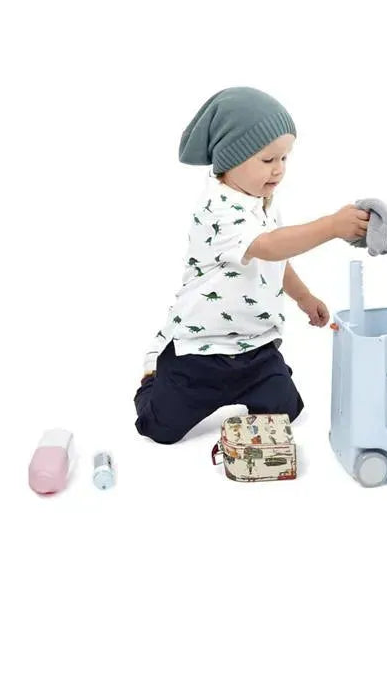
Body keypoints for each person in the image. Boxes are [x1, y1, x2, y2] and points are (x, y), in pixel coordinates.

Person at [134, 87, 369, 445]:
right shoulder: (217, 208)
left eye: (285, 158)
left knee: (287, 410)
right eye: (268, 159)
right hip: (202, 350)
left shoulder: (262, 200)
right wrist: (331, 226)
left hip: (254, 345)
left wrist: (304, 298)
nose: (279, 169)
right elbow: (269, 246)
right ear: (231, 158)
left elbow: (276, 257)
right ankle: (155, 374)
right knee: (159, 430)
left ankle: (265, 375)